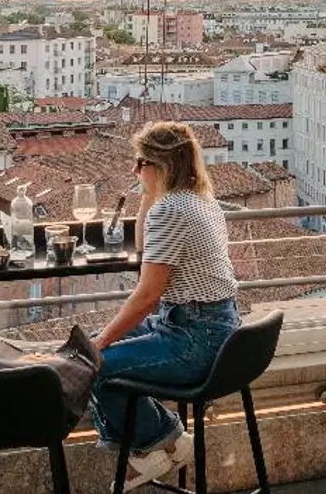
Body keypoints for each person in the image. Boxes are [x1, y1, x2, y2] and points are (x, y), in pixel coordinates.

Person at [89, 122, 241, 491]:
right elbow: (144, 247)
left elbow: (147, 297)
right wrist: (147, 192)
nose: (134, 171)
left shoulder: (172, 210)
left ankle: (152, 447)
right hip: (218, 329)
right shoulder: (201, 200)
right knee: (91, 350)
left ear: (160, 164)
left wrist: (101, 344)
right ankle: (165, 442)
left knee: (93, 365)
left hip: (195, 338)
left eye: (140, 163)